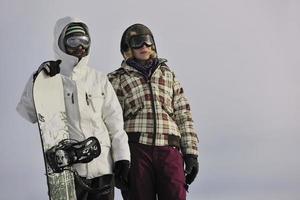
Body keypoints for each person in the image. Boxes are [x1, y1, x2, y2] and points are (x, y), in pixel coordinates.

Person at [16, 16, 130, 200]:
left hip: (103, 169)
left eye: (84, 41)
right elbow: (28, 112)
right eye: (73, 40)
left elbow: (115, 123)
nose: (80, 47)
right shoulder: (49, 79)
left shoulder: (99, 79)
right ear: (61, 43)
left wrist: (123, 158)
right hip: (69, 173)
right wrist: (38, 78)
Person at [108, 23, 199, 200]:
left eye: (147, 41)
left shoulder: (168, 75)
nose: (144, 46)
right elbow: (111, 121)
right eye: (137, 42)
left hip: (169, 147)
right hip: (136, 148)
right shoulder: (116, 79)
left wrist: (191, 153)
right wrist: (118, 160)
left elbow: (183, 115)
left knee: (175, 195)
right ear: (127, 48)